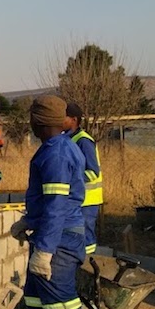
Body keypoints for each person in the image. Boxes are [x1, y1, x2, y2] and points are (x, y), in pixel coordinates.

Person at [8, 95, 90, 309]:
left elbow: (57, 204)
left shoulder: (56, 153)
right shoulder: (56, 147)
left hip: (59, 238)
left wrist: (44, 250)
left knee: (61, 300)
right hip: (50, 232)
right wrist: (28, 221)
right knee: (36, 298)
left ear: (38, 121)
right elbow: (48, 202)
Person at [64, 103, 103, 255]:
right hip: (77, 199)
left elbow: (93, 172)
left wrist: (70, 180)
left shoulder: (84, 141)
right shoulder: (69, 139)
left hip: (88, 200)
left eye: (63, 117)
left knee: (86, 236)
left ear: (74, 120)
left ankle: (88, 262)